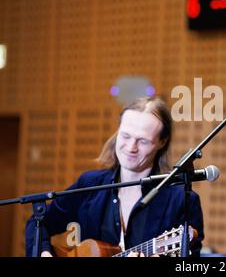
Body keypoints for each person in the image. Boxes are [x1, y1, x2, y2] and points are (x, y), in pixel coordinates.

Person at [25, 97, 204, 257]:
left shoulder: (181, 200)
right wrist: (44, 253)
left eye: (143, 141)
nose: (131, 147)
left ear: (162, 142)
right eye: (125, 136)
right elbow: (38, 223)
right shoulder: (90, 185)